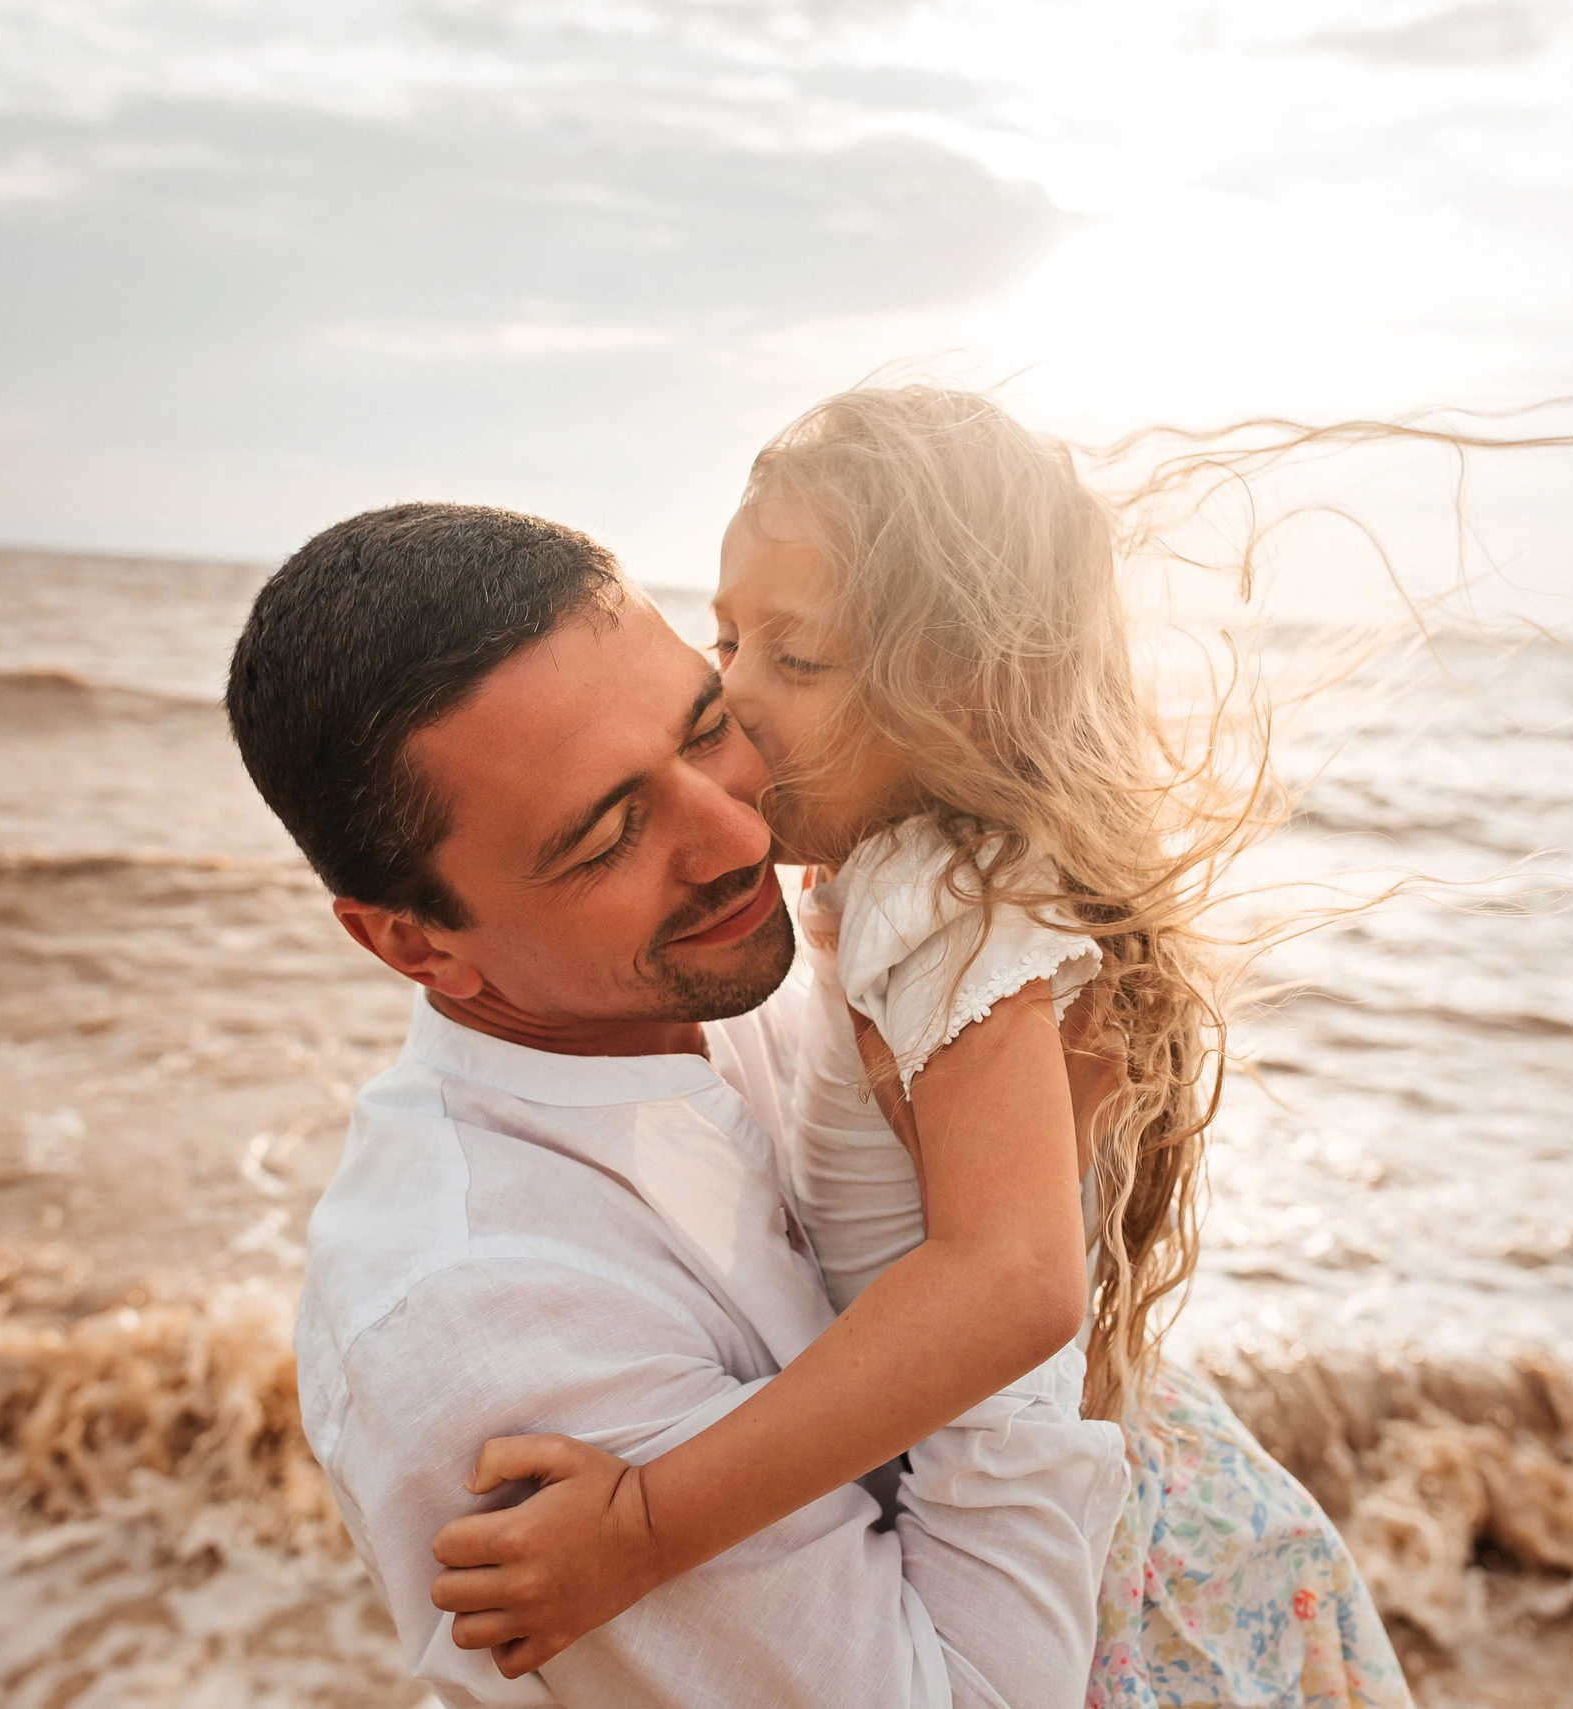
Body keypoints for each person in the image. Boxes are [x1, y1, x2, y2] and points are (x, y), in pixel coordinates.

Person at [440, 390, 1412, 1708]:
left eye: (799, 656)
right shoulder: (892, 877)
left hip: (1118, 1568)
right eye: (728, 640)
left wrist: (647, 1527)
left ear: (962, 691)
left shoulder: (930, 886)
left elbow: (1014, 1280)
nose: (731, 696)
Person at [226, 501, 1131, 1709]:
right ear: (417, 944)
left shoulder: (773, 961)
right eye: (608, 834)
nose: (735, 830)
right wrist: (1030, 1197)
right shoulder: (481, 1320)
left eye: (707, 728)